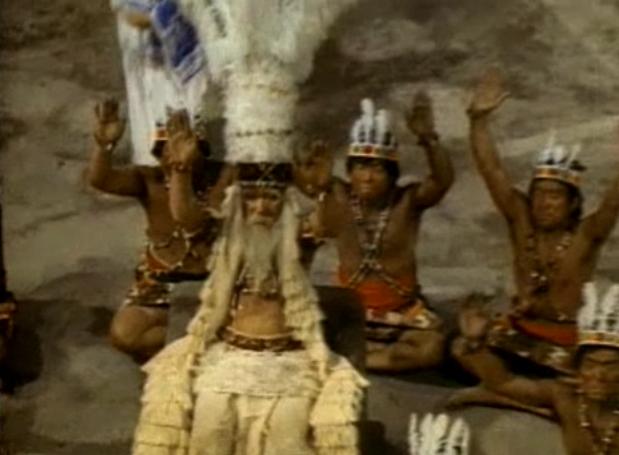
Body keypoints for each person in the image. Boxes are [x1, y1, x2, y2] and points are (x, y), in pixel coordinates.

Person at [467, 68, 619, 375]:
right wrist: (478, 122)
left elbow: (614, 202)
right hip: (518, 333)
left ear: (572, 203)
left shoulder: (587, 234)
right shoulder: (520, 218)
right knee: (461, 347)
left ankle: (508, 391)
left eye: (554, 196)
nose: (543, 203)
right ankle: (520, 391)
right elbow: (492, 171)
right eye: (538, 194)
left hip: (563, 344)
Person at [298, 93, 454, 372]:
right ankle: (361, 356)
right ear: (350, 171)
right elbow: (299, 180)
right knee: (295, 327)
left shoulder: (407, 201)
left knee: (431, 349)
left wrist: (429, 139)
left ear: (392, 174)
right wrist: (316, 181)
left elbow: (442, 181)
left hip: (401, 312)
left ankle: (350, 359)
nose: (367, 177)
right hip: (348, 311)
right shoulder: (337, 193)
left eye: (377, 168)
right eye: (360, 167)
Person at [87, 99, 217, 362]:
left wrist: (182, 171)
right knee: (125, 334)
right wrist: (104, 146)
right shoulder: (149, 178)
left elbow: (189, 219)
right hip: (159, 284)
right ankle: (186, 352)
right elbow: (101, 180)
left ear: (200, 147)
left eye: (181, 145)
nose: (171, 155)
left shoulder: (221, 178)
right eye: (163, 149)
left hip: (208, 285)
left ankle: (197, 351)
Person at [452, 281, 619, 455]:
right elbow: (503, 382)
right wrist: (475, 343)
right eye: (591, 364)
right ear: (579, 368)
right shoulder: (566, 397)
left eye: (611, 366)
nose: (599, 375)